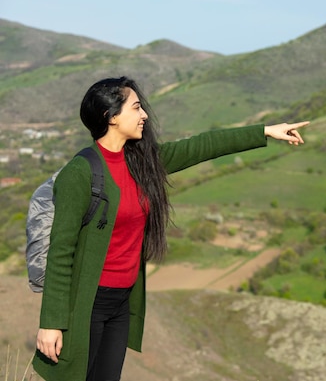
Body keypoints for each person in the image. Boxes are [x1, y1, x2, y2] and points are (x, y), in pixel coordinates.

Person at [33, 76, 309, 381]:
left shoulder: (142, 162)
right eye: (136, 107)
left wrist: (266, 131)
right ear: (111, 117)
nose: (144, 115)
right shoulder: (80, 173)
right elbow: (60, 252)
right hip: (87, 303)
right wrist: (51, 323)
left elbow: (201, 146)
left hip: (122, 302)